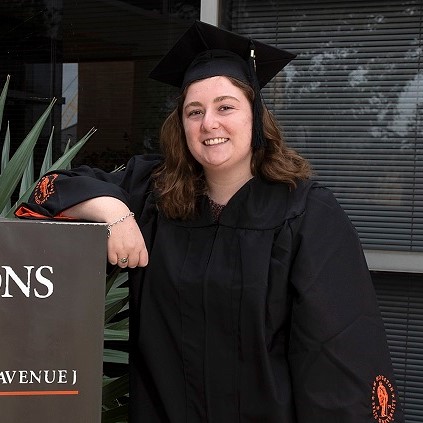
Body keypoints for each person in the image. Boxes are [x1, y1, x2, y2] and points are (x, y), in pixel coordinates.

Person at [16, 20, 403, 423]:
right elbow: (49, 193)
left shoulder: (306, 215)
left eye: (225, 107)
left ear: (256, 117)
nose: (209, 124)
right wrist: (114, 213)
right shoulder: (152, 193)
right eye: (194, 111)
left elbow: (337, 355)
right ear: (181, 126)